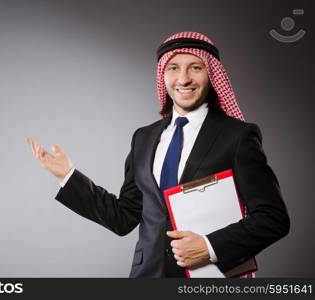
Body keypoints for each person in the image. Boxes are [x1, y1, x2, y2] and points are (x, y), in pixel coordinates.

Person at [25, 32, 290, 278]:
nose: (183, 79)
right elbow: (124, 217)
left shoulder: (238, 136)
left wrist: (209, 247)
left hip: (210, 275)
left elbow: (273, 218)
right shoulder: (144, 138)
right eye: (173, 68)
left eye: (195, 68)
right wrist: (68, 176)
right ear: (163, 75)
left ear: (211, 75)